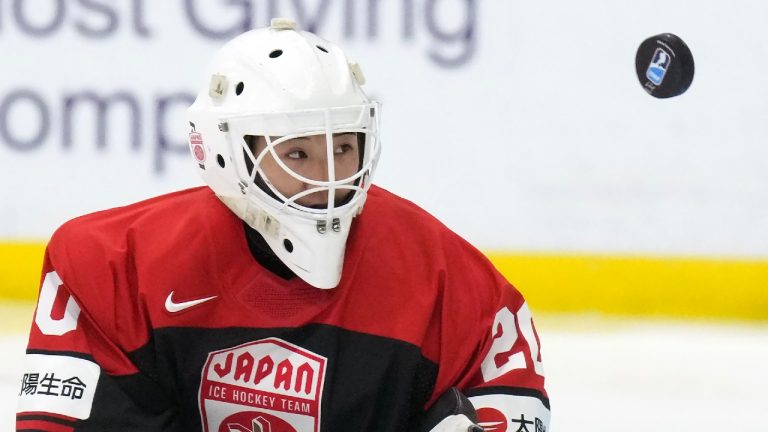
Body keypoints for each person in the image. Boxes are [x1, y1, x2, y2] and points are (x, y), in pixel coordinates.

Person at [17, 18, 550, 432]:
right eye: (296, 153)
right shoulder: (113, 267)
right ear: (227, 152)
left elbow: (512, 403)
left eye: (343, 147)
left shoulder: (454, 284)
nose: (329, 177)